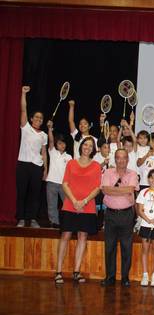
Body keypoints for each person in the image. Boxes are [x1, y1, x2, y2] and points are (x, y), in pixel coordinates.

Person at [55, 137, 101, 284]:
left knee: (82, 237)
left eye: (90, 146)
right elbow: (65, 183)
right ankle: (58, 272)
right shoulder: (71, 163)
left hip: (87, 207)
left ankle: (76, 271)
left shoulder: (96, 166)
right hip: (70, 204)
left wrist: (84, 201)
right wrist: (75, 201)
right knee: (65, 236)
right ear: (81, 147)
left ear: (93, 149)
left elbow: (97, 188)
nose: (87, 147)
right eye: (85, 145)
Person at [101, 149, 139, 287]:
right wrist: (123, 190)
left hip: (126, 214)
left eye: (124, 158)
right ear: (115, 159)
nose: (121, 160)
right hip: (110, 214)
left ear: (128, 159)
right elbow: (105, 190)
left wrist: (113, 190)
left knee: (126, 247)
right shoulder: (108, 172)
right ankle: (110, 277)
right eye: (118, 158)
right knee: (109, 247)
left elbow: (130, 190)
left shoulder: (133, 174)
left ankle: (125, 277)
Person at [16, 86, 48, 228]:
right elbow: (23, 108)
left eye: (41, 118)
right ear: (31, 118)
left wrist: (45, 169)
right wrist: (23, 93)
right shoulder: (25, 127)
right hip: (23, 164)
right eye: (36, 117)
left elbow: (44, 152)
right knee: (22, 192)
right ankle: (21, 218)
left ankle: (33, 218)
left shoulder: (44, 135)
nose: (39, 119)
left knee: (35, 195)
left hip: (37, 167)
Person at [45, 120, 71, 228]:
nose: (62, 145)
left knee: (67, 204)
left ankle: (67, 222)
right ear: (56, 144)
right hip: (51, 182)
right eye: (60, 143)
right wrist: (50, 129)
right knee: (52, 204)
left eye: (64, 143)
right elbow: (50, 141)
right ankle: (54, 222)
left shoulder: (68, 157)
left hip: (64, 184)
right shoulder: (53, 152)